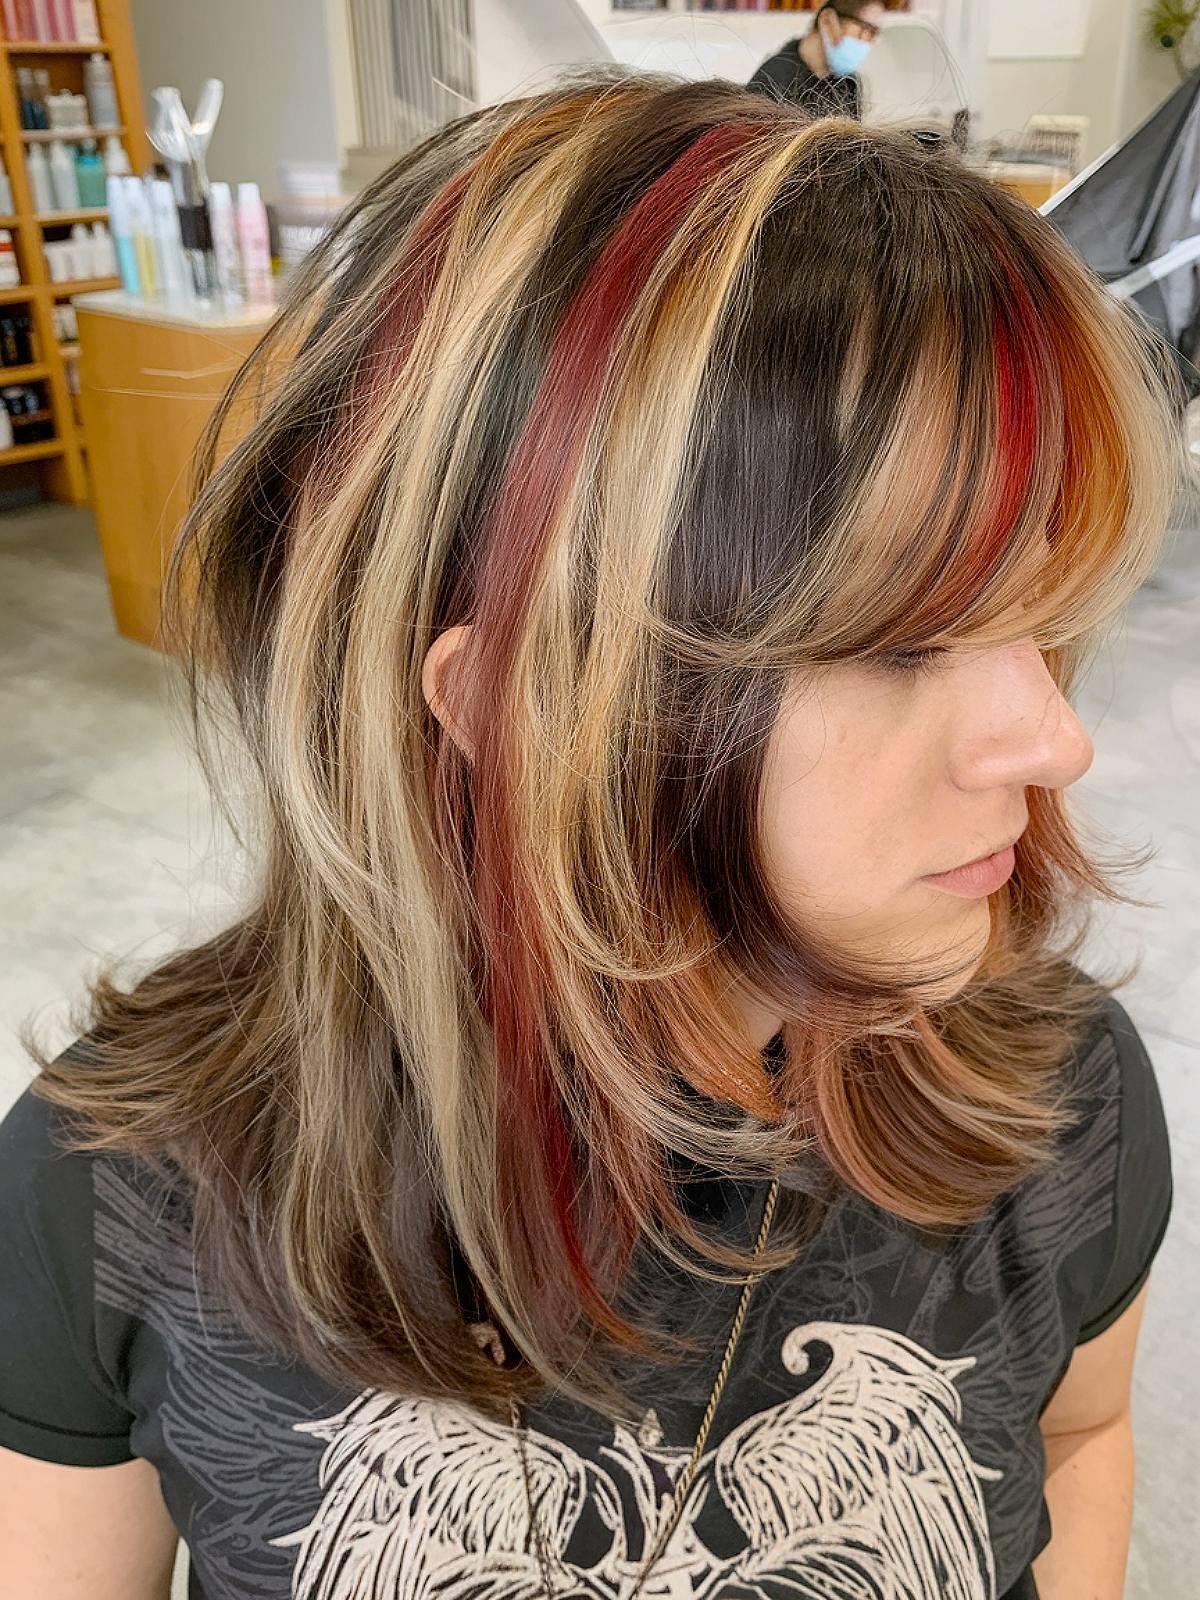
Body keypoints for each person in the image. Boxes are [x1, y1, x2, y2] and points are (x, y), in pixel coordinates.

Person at [0, 69, 1178, 1600]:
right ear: (513, 700)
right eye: (900, 644)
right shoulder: (123, 1190)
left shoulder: (1052, 1100)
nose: (1055, 740)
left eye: (1043, 617)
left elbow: (1082, 1441)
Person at [747, 0, 885, 119]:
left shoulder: (849, 83)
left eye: (875, 34)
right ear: (827, 21)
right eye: (866, 30)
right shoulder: (774, 79)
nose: (871, 42)